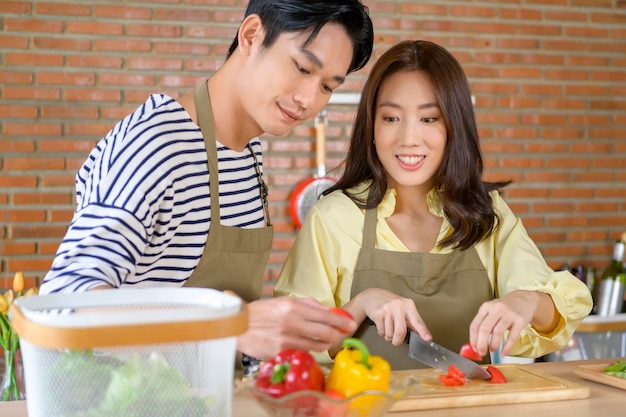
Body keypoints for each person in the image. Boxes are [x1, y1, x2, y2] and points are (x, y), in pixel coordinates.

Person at [39, 0, 374, 360]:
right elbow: (64, 302)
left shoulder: (248, 153)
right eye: (303, 67)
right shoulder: (156, 145)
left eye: (327, 87)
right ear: (251, 36)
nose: (308, 99)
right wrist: (231, 324)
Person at [275, 40, 593, 370]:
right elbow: (289, 344)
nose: (409, 138)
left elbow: (561, 312)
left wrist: (527, 300)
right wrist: (359, 306)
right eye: (390, 118)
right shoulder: (333, 218)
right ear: (371, 127)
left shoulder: (487, 214)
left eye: (429, 119)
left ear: (454, 128)